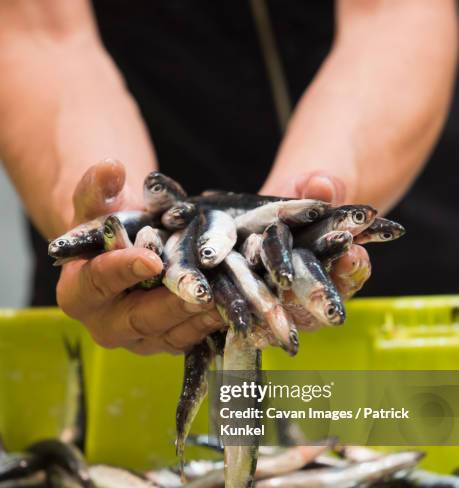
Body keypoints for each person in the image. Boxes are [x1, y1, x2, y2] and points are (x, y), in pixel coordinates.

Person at [0, 1, 457, 355]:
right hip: (124, 310)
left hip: (405, 278)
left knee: (406, 431)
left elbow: (394, 16)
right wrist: (104, 209)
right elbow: (42, 35)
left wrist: (310, 212)